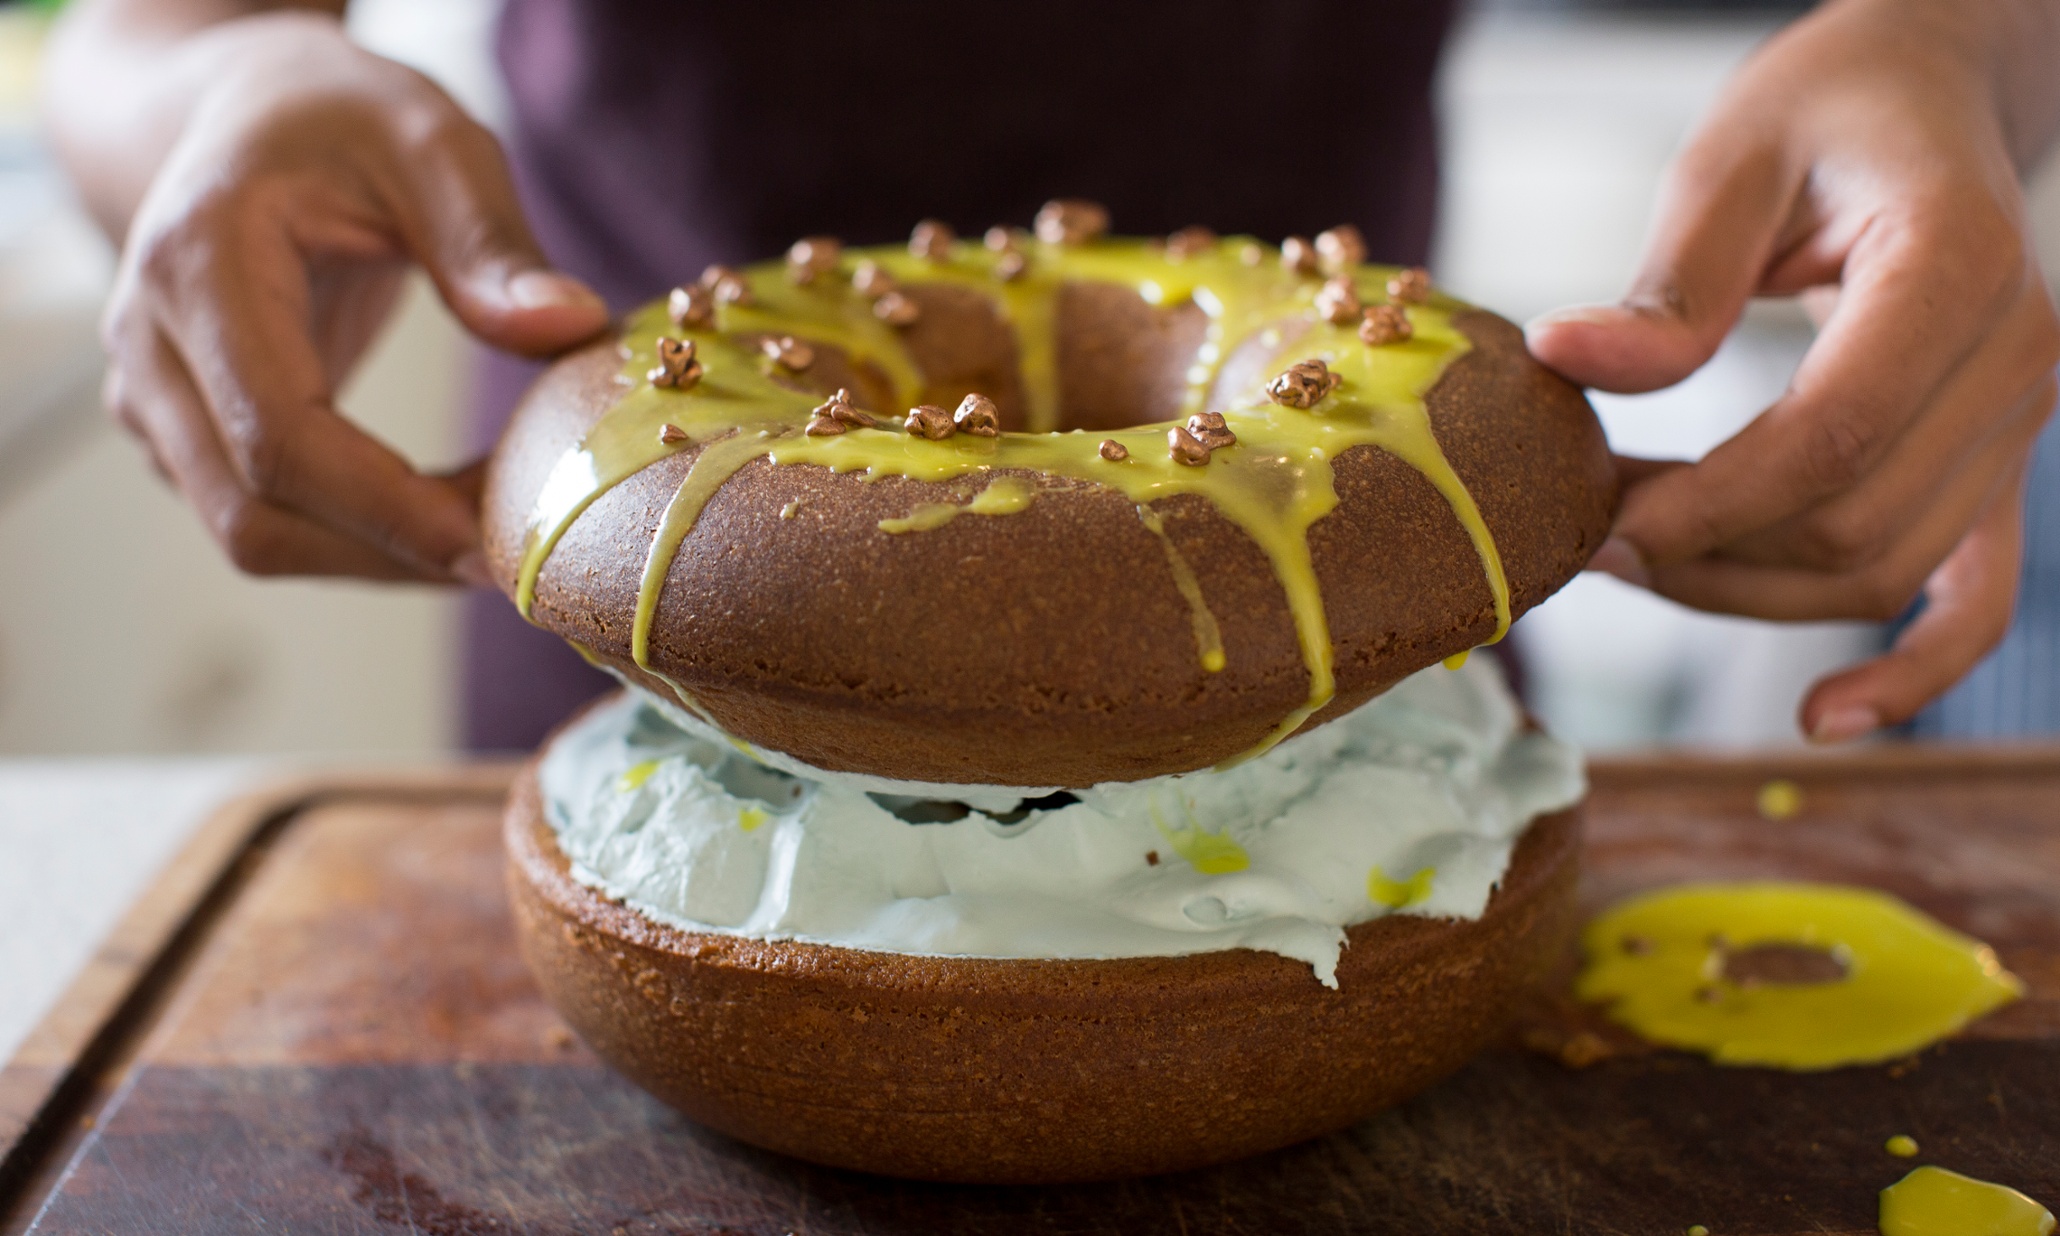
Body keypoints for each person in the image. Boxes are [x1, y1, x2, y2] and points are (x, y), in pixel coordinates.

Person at [40, 0, 2060, 750]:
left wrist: (1952, 51)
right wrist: (222, 86)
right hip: (662, 622)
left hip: (1344, 617)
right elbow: (148, 31)